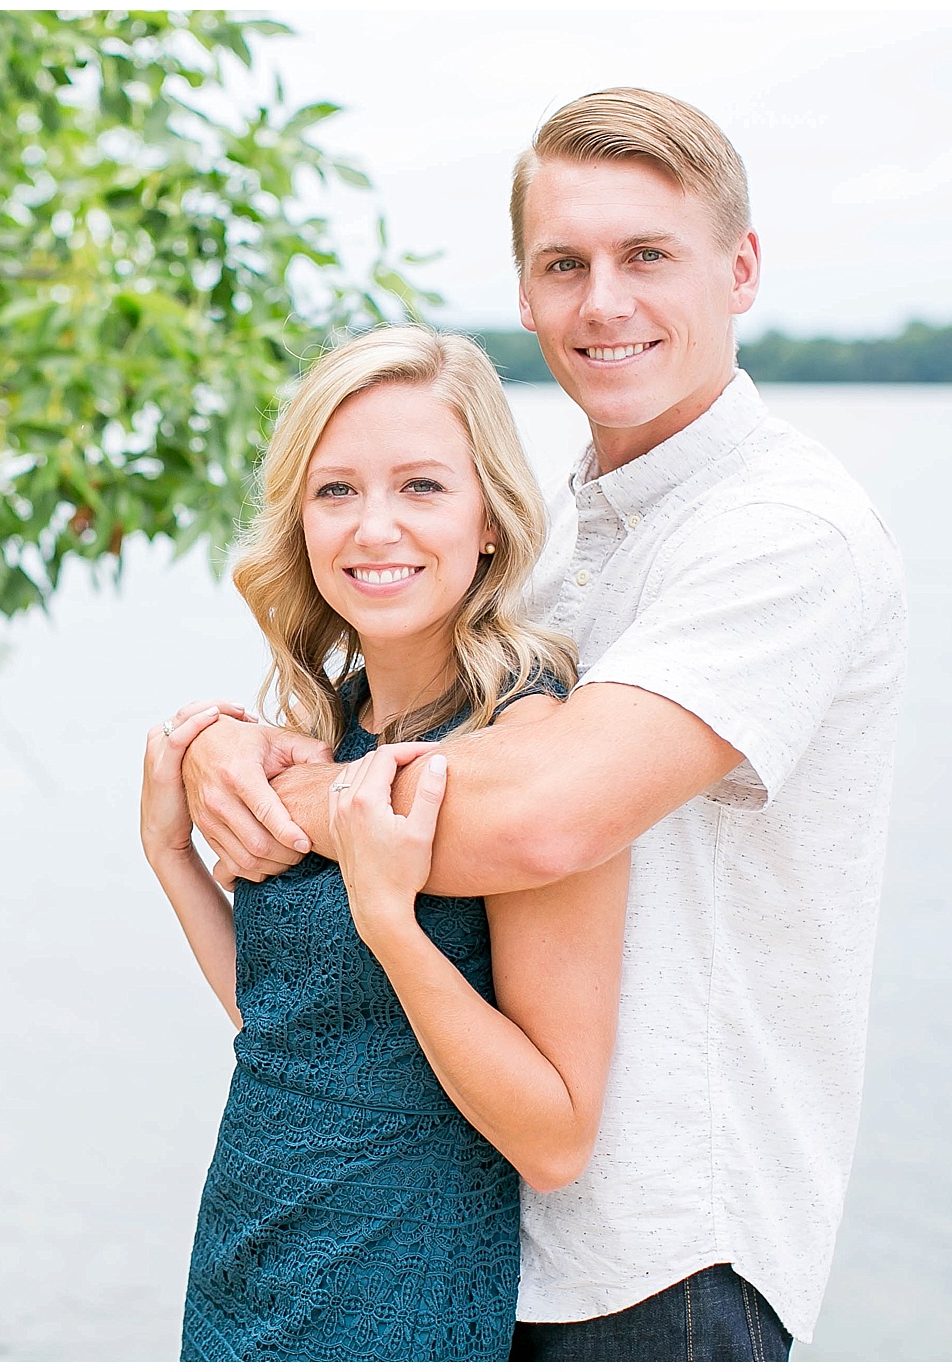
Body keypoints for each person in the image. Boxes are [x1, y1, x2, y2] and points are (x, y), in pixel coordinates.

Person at [178, 88, 907, 1361]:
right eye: (562, 264)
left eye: (646, 256)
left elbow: (543, 818)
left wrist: (271, 795)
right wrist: (220, 747)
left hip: (664, 1255)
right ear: (522, 294)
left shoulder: (784, 530)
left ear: (738, 269)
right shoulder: (557, 541)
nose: (602, 303)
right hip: (472, 1233)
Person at [139, 326, 630, 1361]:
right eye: (335, 491)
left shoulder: (528, 746)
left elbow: (554, 1137)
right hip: (245, 1251)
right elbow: (289, 1025)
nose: (372, 528)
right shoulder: (332, 722)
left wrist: (390, 925)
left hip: (394, 1281)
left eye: (418, 487)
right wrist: (174, 859)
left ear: (489, 519)